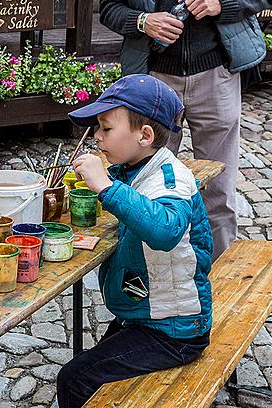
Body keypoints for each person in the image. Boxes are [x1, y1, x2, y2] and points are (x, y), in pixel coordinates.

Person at [99, 0, 272, 260]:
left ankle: (217, 285)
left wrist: (220, 4)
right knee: (149, 190)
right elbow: (108, 7)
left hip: (215, 73)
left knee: (218, 194)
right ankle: (152, 288)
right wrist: (144, 21)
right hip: (154, 82)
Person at [55, 74, 213, 408]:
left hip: (176, 331)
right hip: (147, 316)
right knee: (95, 363)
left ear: (144, 135)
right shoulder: (133, 167)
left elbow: (166, 230)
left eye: (106, 129)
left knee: (75, 377)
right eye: (97, 128)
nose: (97, 136)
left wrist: (107, 189)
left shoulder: (171, 180)